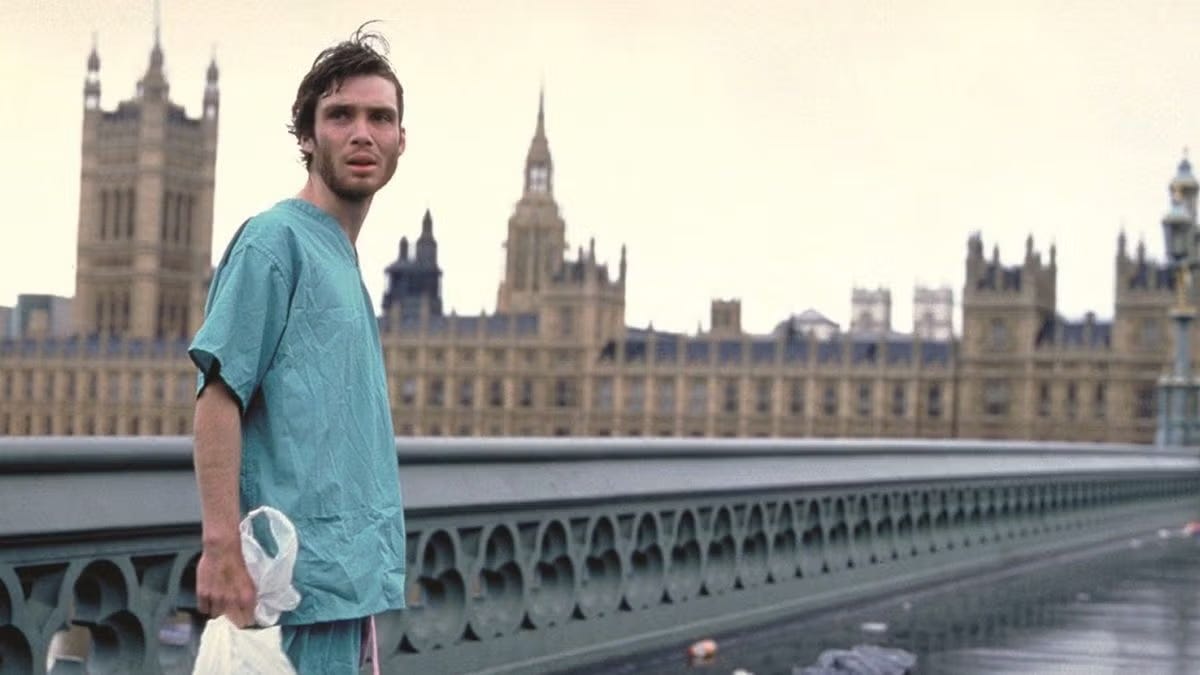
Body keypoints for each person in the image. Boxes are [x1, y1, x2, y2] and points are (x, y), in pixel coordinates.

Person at [189, 23, 407, 674]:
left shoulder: (341, 257)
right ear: (307, 137)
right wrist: (220, 546)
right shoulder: (274, 242)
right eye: (341, 115)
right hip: (286, 593)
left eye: (380, 117)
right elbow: (218, 397)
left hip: (345, 592)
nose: (363, 133)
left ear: (400, 140)